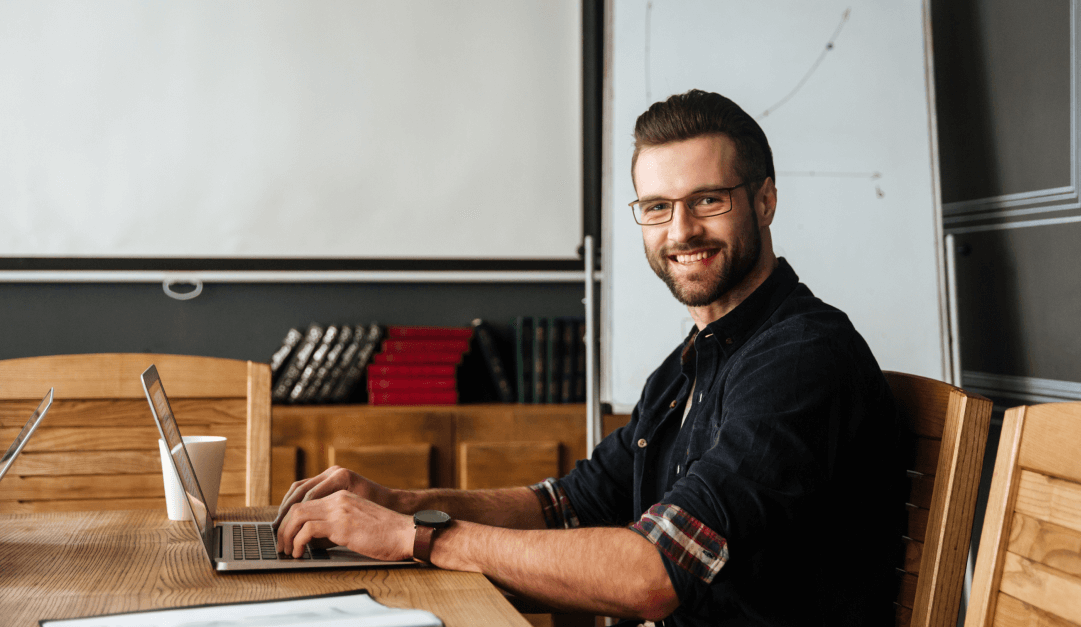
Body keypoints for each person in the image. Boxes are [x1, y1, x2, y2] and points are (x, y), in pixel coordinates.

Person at [274, 89, 903, 626]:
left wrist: (416, 539)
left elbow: (654, 575)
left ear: (764, 201)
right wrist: (397, 503)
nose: (680, 230)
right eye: (657, 207)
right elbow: (567, 506)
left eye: (708, 200)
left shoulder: (802, 359)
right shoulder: (689, 367)